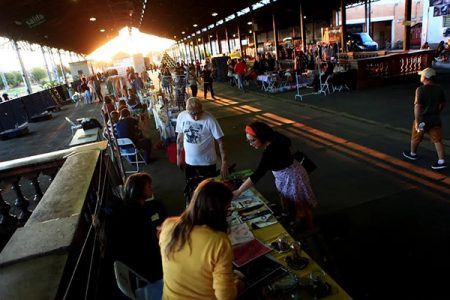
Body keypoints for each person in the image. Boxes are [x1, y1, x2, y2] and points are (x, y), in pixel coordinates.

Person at [159, 179, 239, 300]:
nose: (227, 214)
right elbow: (225, 297)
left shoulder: (169, 225)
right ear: (217, 211)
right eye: (227, 210)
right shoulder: (219, 242)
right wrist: (236, 285)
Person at [233, 122, 317, 229]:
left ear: (262, 137)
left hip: (291, 177)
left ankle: (309, 229)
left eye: (253, 140)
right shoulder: (275, 137)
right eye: (248, 141)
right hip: (292, 171)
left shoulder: (270, 152)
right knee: (296, 202)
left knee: (301, 205)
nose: (250, 144)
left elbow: (258, 174)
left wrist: (239, 191)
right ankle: (301, 222)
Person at [109, 172, 166, 299]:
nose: (152, 189)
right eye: (149, 187)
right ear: (139, 191)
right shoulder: (137, 213)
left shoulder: (126, 208)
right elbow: (148, 242)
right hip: (144, 264)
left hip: (130, 261)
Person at [402, 67, 447, 169]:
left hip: (423, 120)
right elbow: (442, 103)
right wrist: (437, 111)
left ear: (426, 77)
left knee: (416, 137)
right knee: (437, 140)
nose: (420, 77)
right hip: (435, 119)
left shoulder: (420, 90)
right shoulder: (439, 89)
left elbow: (417, 106)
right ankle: (441, 161)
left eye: (421, 75)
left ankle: (413, 154)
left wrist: (417, 121)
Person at [176, 97, 229, 180]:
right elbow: (180, 138)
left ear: (202, 110)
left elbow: (221, 141)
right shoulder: (182, 116)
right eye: (193, 115)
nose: (196, 117)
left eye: (198, 113)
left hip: (207, 163)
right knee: (192, 187)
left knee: (208, 189)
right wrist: (178, 156)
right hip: (189, 162)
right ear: (187, 111)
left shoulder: (209, 119)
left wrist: (224, 162)